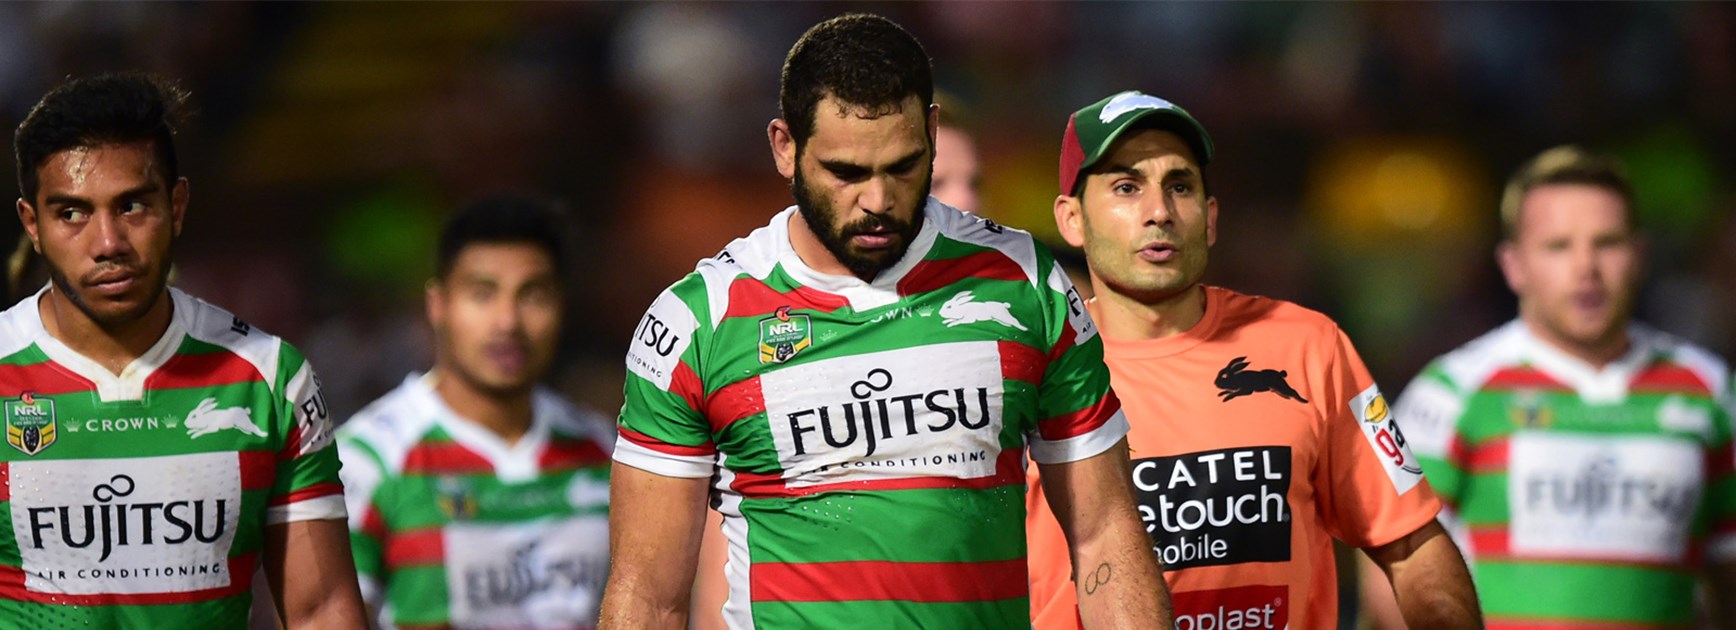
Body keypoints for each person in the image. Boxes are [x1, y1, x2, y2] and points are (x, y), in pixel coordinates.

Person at [599, 14, 1169, 629]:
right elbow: (648, 596)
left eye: (902, 167)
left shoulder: (1026, 284)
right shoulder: (698, 322)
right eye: (845, 172)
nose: (877, 200)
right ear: (785, 147)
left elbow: (1105, 534)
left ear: (932, 132)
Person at [1026, 90, 1482, 629]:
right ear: (1072, 220)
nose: (1160, 212)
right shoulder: (1026, 373)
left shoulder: (1310, 346)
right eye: (1127, 187)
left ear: (1210, 218)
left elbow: (1411, 544)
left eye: (1180, 186)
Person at [1, 74, 365, 627]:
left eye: (132, 206)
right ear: (33, 225)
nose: (108, 244)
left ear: (176, 205)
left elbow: (321, 610)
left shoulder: (269, 379)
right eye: (72, 213)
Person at [1389, 145, 1736, 629]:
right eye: (1558, 246)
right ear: (1513, 265)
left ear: (1639, 255)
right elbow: (1393, 574)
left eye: (1607, 242)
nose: (1586, 266)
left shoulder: (1710, 392)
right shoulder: (1450, 393)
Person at [336, 197, 614, 629]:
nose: (508, 322)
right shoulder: (367, 460)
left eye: (533, 295)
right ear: (437, 304)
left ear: (562, 306)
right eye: (482, 294)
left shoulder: (606, 453)